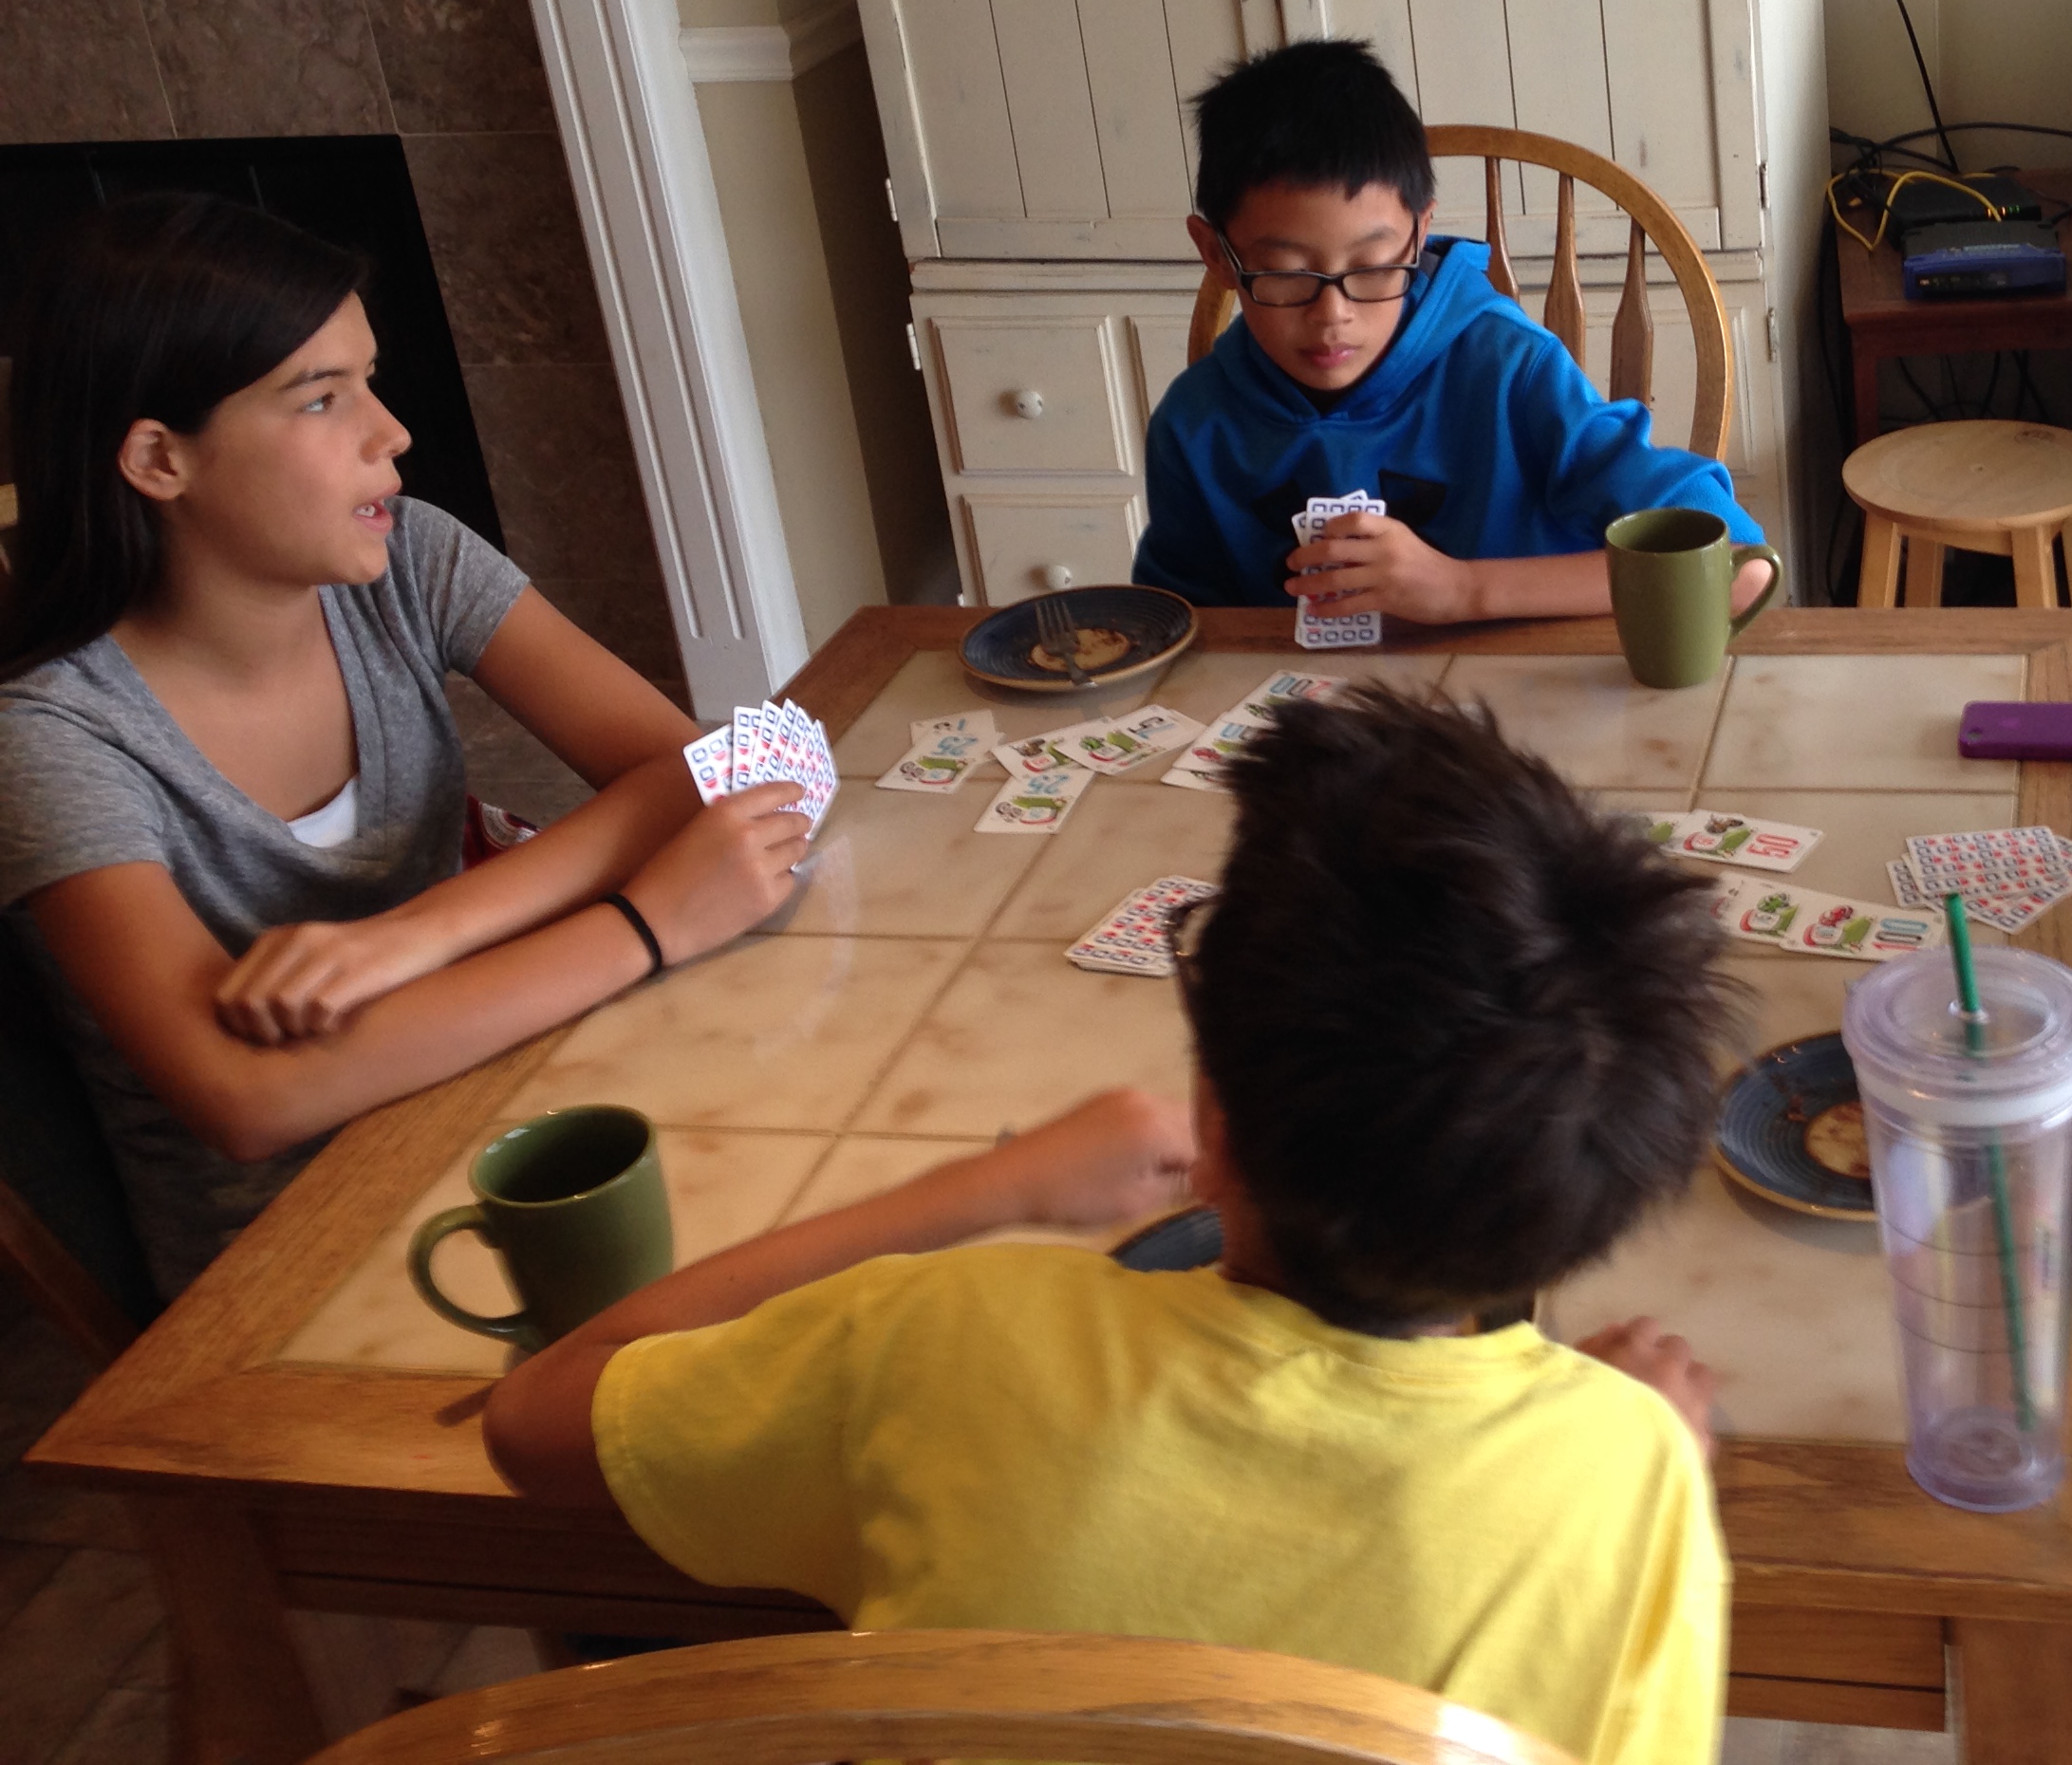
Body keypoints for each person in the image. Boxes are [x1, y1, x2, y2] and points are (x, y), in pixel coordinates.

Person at [484, 687, 1740, 1765]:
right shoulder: (1629, 1484)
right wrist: (1646, 1459)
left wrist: (983, 1190)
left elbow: (533, 1419)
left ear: (1215, 1127)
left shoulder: (944, 1341)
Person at [0, 196, 811, 1302]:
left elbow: (713, 772)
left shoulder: (412, 556)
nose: (391, 433)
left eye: (369, 381)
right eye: (321, 398)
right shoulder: (50, 741)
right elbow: (247, 1098)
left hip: (497, 1100)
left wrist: (414, 936)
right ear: (159, 459)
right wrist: (644, 925)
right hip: (307, 1267)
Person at [1132, 38, 1769, 623]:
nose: (1333, 316)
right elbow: (1177, 633)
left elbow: (1740, 568)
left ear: (1419, 232)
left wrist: (1464, 588)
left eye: (1373, 267)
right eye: (1287, 274)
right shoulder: (1193, 425)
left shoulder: (1508, 370)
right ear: (1216, 254)